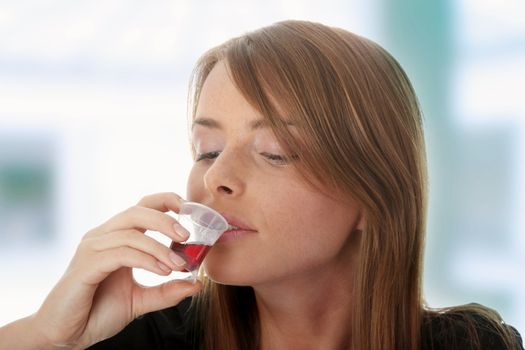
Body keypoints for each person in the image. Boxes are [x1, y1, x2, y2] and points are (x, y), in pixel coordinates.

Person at [0, 20, 522, 350]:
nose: (216, 179)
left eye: (274, 152)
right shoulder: (146, 335)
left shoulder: (473, 345)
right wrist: (47, 336)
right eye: (207, 149)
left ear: (372, 194)